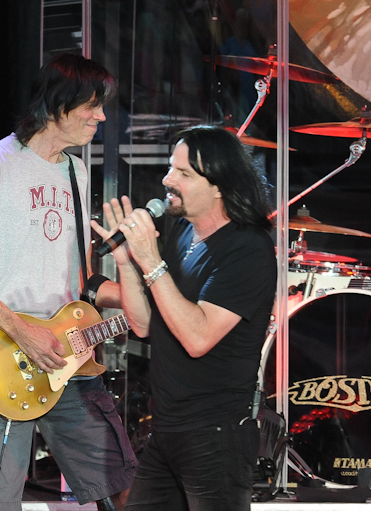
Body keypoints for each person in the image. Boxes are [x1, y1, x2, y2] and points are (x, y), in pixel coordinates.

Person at [0, 53, 136, 511]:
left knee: (124, 487)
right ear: (55, 106)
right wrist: (22, 331)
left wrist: (139, 300)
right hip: (3, 357)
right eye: (91, 105)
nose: (101, 116)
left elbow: (81, 280)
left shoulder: (75, 172)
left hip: (70, 355)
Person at [91, 125, 277, 511]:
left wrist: (152, 261)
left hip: (216, 436)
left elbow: (198, 337)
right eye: (171, 168)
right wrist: (127, 263)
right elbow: (143, 324)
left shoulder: (248, 250)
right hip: (167, 431)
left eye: (184, 173)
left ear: (219, 187)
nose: (167, 180)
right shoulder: (180, 232)